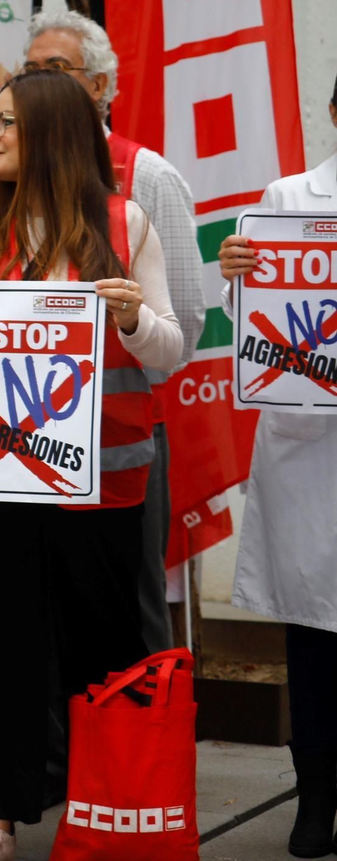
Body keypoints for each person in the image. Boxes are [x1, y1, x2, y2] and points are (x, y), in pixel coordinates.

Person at [0, 69, 183, 861]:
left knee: (101, 653)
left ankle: (106, 812)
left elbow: (169, 352)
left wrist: (133, 315)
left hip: (100, 485)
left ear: (51, 132)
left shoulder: (124, 220)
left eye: (4, 123)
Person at [2, 11, 205, 656]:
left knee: (127, 608)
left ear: (99, 86)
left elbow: (186, 323)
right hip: (20, 440)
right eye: (30, 70)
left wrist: (128, 329)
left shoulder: (146, 177)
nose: (38, 84)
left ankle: (132, 749)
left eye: (55, 70)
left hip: (127, 430)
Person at [218, 75, 337, 859]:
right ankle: (316, 795)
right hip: (310, 450)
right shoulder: (289, 198)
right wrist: (238, 272)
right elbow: (248, 329)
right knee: (315, 635)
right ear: (333, 111)